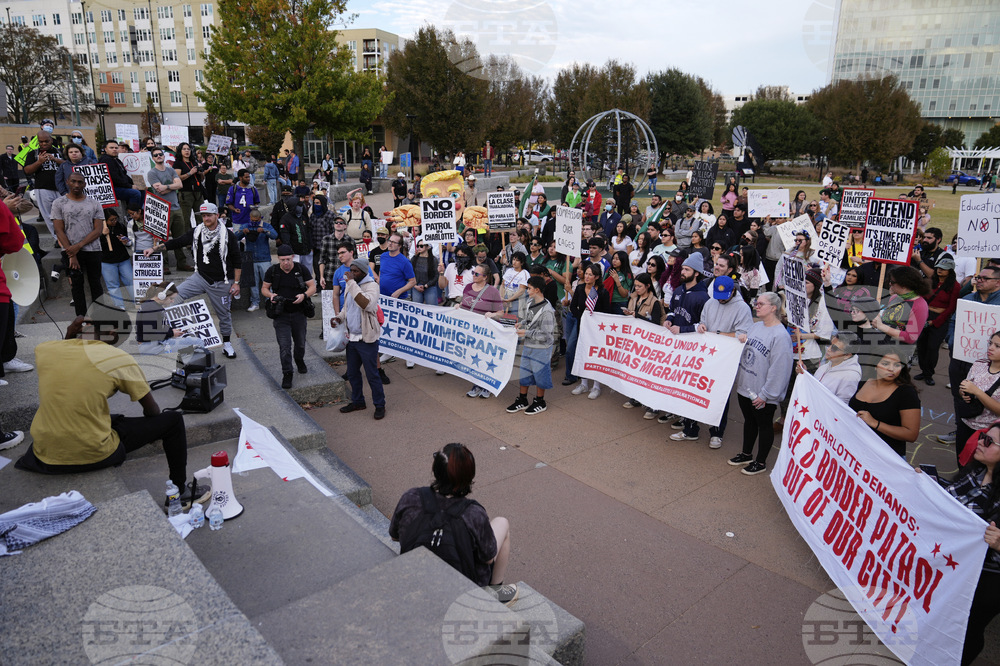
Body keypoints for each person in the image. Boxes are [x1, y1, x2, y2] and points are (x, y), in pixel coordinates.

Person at [14, 315, 205, 509]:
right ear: (112, 332)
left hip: (44, 453)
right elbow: (152, 411)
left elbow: (64, 353)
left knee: (113, 419)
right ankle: (180, 492)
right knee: (173, 420)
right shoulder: (118, 358)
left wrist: (70, 334)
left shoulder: (45, 349)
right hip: (94, 453)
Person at [389, 443, 517, 604]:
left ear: (436, 470)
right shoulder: (473, 513)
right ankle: (497, 594)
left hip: (415, 579)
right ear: (469, 477)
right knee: (502, 522)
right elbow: (488, 558)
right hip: (461, 593)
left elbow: (394, 536)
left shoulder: (411, 497)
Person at [144, 202, 241, 358]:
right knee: (173, 297)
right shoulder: (197, 231)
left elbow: (237, 260)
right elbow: (178, 242)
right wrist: (154, 248)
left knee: (224, 315)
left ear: (217, 215)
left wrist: (236, 283)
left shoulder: (228, 235)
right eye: (203, 216)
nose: (206, 218)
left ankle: (227, 344)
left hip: (221, 282)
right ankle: (173, 335)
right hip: (200, 277)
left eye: (209, 215)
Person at [729, 292, 793, 475]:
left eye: (760, 304)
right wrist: (742, 339)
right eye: (756, 303)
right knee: (749, 421)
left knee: (764, 425)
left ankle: (761, 462)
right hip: (746, 387)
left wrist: (767, 394)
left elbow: (780, 369)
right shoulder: (755, 326)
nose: (756, 306)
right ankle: (746, 453)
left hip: (763, 393)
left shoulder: (780, 336)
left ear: (773, 308)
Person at [685, 275, 753, 448]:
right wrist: (702, 327)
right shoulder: (710, 303)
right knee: (696, 389)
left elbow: (743, 335)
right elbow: (703, 323)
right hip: (706, 355)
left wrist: (717, 335)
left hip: (725, 359)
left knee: (720, 395)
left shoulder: (742, 308)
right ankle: (690, 428)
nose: (720, 300)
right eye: (718, 296)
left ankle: (716, 433)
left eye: (724, 297)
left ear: (733, 291)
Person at [331, 257, 385, 419]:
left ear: (363, 272)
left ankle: (380, 405)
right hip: (352, 339)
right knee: (353, 373)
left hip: (367, 339)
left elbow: (365, 304)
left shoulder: (372, 286)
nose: (352, 273)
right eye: (351, 271)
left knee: (372, 374)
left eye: (356, 271)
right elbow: (347, 307)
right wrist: (339, 318)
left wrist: (351, 283)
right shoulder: (351, 285)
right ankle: (358, 401)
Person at [261, 245, 316, 389]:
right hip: (281, 315)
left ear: (292, 257)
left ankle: (299, 360)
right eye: (282, 260)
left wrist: (304, 295)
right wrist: (271, 295)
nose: (286, 263)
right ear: (278, 259)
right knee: (284, 346)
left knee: (300, 343)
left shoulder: (301, 269)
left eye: (288, 259)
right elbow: (264, 288)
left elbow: (312, 286)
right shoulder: (273, 271)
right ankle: (287, 373)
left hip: (299, 313)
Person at [849, 350, 921, 457]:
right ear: (875, 365)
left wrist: (875, 423)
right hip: (854, 451)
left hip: (884, 458)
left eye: (897, 365)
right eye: (885, 364)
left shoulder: (906, 393)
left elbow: (911, 434)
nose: (891, 369)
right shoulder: (864, 382)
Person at [52, 172, 104, 316]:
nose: (76, 185)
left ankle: (99, 318)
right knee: (76, 286)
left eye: (80, 182)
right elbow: (59, 230)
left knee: (96, 285)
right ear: (67, 182)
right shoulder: (58, 203)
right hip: (70, 251)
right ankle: (81, 319)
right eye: (73, 181)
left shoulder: (94, 203)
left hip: (93, 250)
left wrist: (79, 246)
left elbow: (98, 230)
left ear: (84, 184)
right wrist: (72, 254)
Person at [506, 276, 556, 415]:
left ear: (537, 290)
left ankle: (540, 401)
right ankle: (522, 399)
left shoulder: (547, 311)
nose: (527, 291)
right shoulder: (530, 302)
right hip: (528, 345)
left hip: (541, 348)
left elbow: (546, 335)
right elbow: (529, 319)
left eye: (529, 288)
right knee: (524, 373)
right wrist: (521, 324)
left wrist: (526, 332)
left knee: (540, 374)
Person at [568, 263, 613, 399]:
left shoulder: (602, 292)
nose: (587, 276)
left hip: (597, 328)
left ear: (597, 277)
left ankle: (596, 386)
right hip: (582, 326)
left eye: (590, 274)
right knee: (581, 351)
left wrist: (595, 321)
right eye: (586, 273)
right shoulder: (580, 288)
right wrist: (582, 317)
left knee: (595, 355)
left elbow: (607, 311)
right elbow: (573, 307)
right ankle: (583, 384)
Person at [458, 263, 503, 398]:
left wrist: (492, 315)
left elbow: (500, 312)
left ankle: (487, 385)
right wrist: (458, 306)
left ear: (485, 277)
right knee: (473, 357)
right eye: (473, 273)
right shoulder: (467, 287)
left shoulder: (493, 292)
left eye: (477, 274)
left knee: (485, 357)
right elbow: (465, 304)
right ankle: (477, 384)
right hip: (470, 329)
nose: (474, 275)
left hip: (486, 331)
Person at [914, 255, 960, 385]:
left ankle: (929, 373)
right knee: (921, 345)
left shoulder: (955, 286)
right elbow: (921, 298)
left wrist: (935, 322)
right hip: (925, 314)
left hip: (940, 319)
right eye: (939, 267)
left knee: (932, 347)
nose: (940, 270)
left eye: (943, 268)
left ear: (950, 271)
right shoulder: (930, 281)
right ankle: (923, 370)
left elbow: (951, 307)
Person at [147, 147, 193, 272]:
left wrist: (166, 186)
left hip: (176, 207)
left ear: (163, 155)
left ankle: (182, 263)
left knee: (180, 237)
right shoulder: (152, 173)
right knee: (162, 238)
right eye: (155, 155)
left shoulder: (171, 169)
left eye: (160, 154)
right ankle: (165, 265)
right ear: (153, 158)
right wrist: (172, 186)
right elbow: (159, 190)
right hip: (161, 209)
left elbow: (180, 184)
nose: (158, 156)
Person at [235, 208, 278, 312]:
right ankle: (255, 302)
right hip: (250, 259)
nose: (254, 222)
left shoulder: (266, 225)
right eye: (252, 220)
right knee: (253, 283)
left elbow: (275, 235)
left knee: (267, 282)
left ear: (260, 218)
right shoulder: (245, 226)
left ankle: (269, 301)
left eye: (256, 220)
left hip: (264, 258)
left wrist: (264, 230)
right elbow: (235, 237)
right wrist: (242, 232)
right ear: (250, 218)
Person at [22, 131, 64, 238]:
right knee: (49, 216)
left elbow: (69, 165)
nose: (44, 144)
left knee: (65, 214)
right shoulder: (33, 153)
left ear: (51, 140)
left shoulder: (60, 151)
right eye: (41, 142)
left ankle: (67, 236)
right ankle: (58, 239)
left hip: (61, 188)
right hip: (43, 188)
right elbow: (27, 171)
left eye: (46, 141)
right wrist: (39, 162)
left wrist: (55, 159)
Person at [804, 331, 863, 404]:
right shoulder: (830, 363)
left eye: (834, 348)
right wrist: (804, 374)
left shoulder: (850, 377)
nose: (828, 349)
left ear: (847, 355)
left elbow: (839, 406)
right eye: (830, 344)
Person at [98, 209, 134, 309]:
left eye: (115, 219)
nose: (114, 221)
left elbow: (129, 241)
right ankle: (120, 307)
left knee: (130, 281)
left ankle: (137, 302)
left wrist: (126, 241)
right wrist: (102, 235)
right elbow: (96, 244)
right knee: (113, 286)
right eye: (111, 220)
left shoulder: (120, 226)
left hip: (123, 259)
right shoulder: (98, 229)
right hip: (107, 261)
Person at [99, 140, 144, 210]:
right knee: (135, 193)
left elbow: (124, 175)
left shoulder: (116, 160)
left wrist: (137, 184)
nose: (114, 149)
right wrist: (130, 186)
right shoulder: (106, 160)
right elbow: (115, 178)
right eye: (111, 148)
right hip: (112, 189)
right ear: (105, 149)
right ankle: (132, 213)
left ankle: (139, 212)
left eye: (116, 148)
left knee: (142, 190)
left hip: (121, 186)